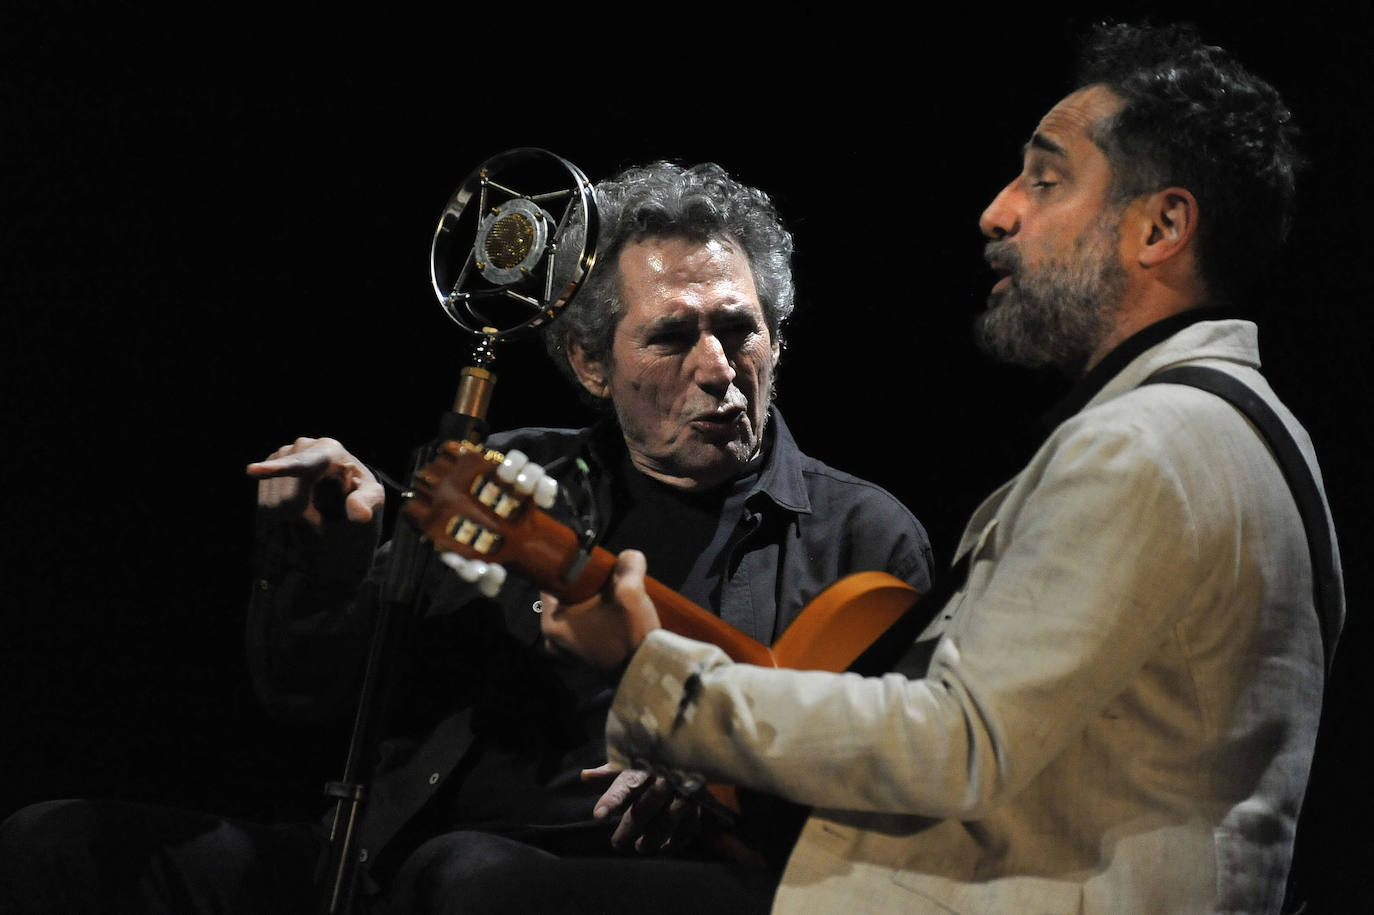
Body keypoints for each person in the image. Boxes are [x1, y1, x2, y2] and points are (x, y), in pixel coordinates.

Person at [541, 22, 1344, 914]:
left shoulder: (1147, 443)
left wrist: (654, 672)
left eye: (1046, 180)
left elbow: (955, 744)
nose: (999, 210)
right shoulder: (1232, 425)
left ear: (1160, 227)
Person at [0, 161, 933, 913]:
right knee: (55, 843)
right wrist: (319, 566)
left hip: (667, 880)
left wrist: (728, 773)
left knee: (471, 880)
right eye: (671, 337)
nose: (718, 370)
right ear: (588, 364)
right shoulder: (507, 478)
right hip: (394, 861)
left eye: (740, 328)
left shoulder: (860, 536)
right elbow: (310, 693)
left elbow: (905, 814)